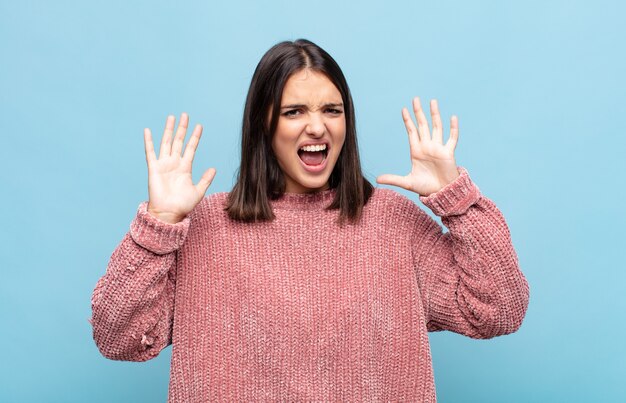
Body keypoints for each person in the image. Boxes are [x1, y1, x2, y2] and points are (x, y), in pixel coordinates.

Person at [90, 39, 530, 402]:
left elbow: (499, 310)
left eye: (332, 111)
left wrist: (457, 200)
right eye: (294, 111)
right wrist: (158, 226)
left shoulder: (393, 224)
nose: (317, 127)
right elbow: (118, 337)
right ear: (263, 126)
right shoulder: (205, 228)